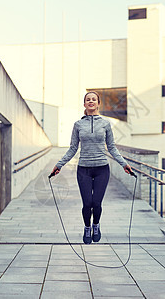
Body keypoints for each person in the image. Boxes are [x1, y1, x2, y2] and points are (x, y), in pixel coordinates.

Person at [51, 91, 132, 244]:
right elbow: (73, 148)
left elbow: (112, 147)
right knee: (87, 203)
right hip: (84, 169)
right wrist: (59, 165)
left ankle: (96, 225)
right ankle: (87, 227)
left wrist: (124, 164)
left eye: (94, 99)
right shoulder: (78, 125)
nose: (91, 101)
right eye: (88, 99)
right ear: (84, 104)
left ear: (98, 103)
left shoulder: (105, 124)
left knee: (97, 203)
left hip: (102, 169)